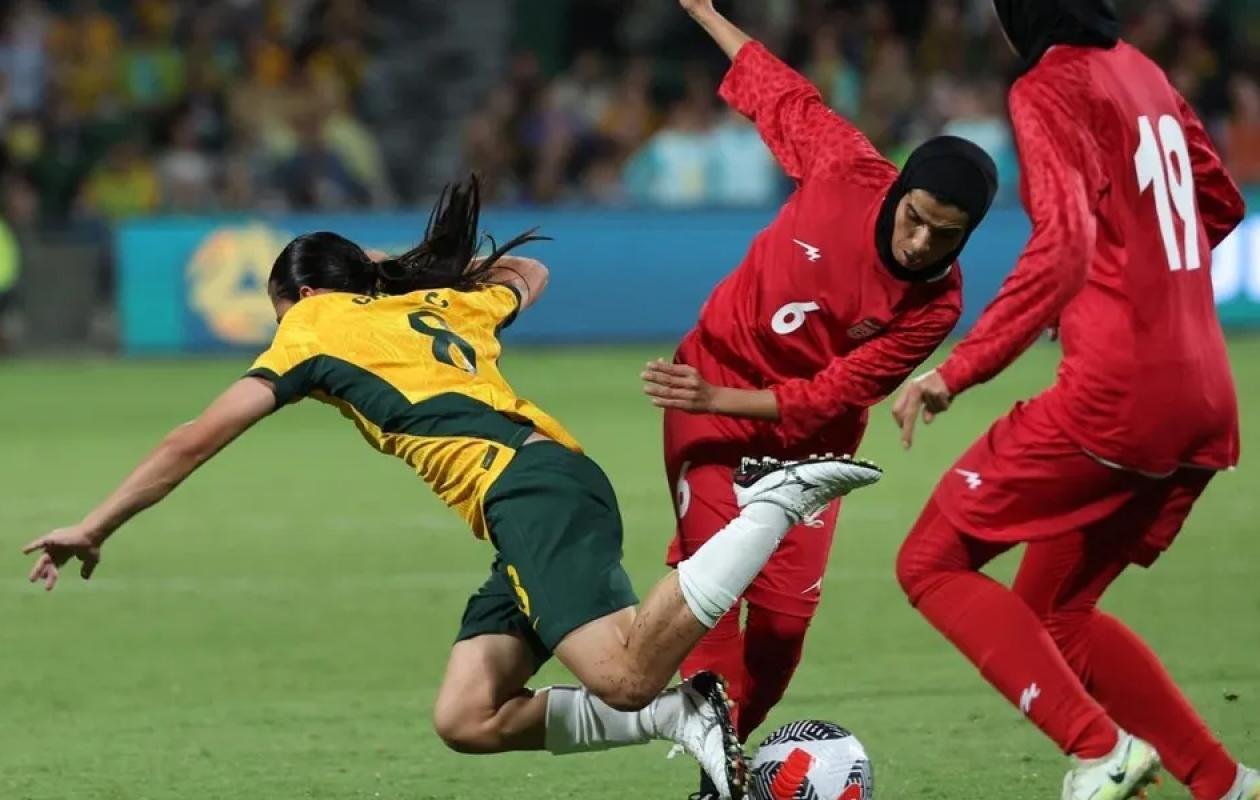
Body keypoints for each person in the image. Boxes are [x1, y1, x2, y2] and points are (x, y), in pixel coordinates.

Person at [21, 176, 883, 800]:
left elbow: (192, 439)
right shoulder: (437, 307)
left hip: (527, 489)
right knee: (469, 716)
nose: (282, 331)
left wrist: (97, 524)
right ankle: (678, 717)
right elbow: (529, 277)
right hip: (539, 491)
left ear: (304, 295)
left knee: (622, 677)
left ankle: (772, 504)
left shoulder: (313, 326)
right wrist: (401, 279)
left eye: (282, 313)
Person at [891, 3, 1254, 799]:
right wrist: (1130, 282)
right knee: (1057, 611)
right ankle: (1226, 785)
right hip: (1206, 400)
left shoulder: (1048, 86)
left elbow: (1062, 245)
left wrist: (958, 370)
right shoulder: (1142, 71)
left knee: (930, 562)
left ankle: (1101, 750)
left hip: (1115, 400)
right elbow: (1221, 202)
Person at [641, 5, 997, 797]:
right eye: (915, 219)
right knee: (715, 592)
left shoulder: (936, 305)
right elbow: (776, 90)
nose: (919, 243)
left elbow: (831, 395)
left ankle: (727, 752)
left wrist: (725, 396)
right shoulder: (843, 166)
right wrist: (704, 10)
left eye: (943, 235)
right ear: (898, 189)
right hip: (708, 395)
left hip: (808, 442)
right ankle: (717, 782)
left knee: (782, 629)